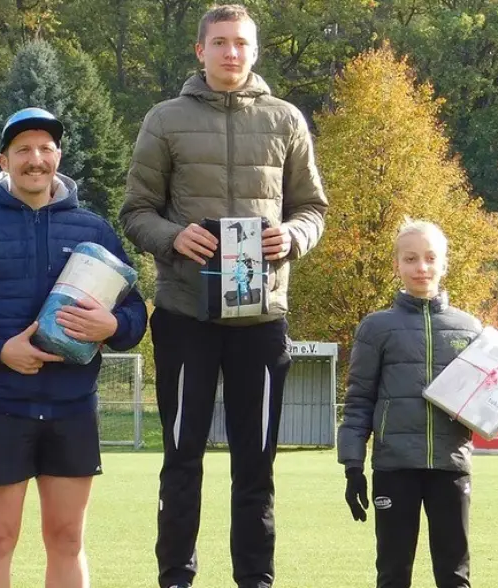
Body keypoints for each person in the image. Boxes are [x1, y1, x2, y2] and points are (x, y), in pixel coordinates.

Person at [117, 5, 328, 587]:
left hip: (261, 321)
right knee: (182, 460)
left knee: (255, 467)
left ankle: (255, 581)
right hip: (185, 315)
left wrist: (294, 236)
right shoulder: (164, 120)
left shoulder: (286, 120)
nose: (231, 53)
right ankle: (176, 579)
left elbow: (313, 209)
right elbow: (135, 212)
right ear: (200, 51)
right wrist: (172, 236)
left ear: (254, 51)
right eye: (220, 43)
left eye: (241, 44)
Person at [0, 107, 149, 588]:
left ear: (58, 157)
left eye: (45, 148)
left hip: (72, 408)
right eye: (23, 149)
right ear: (4, 161)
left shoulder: (93, 229)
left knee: (67, 540)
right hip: (1, 408)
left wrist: (111, 324)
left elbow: (134, 315)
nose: (35, 159)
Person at [336, 219, 498, 588]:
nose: (421, 267)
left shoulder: (469, 328)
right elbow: (359, 400)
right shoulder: (376, 327)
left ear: (444, 264)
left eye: (430, 258)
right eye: (410, 258)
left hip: (451, 465)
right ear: (397, 264)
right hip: (395, 467)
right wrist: (352, 465)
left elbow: (484, 401)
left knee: (455, 574)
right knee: (393, 573)